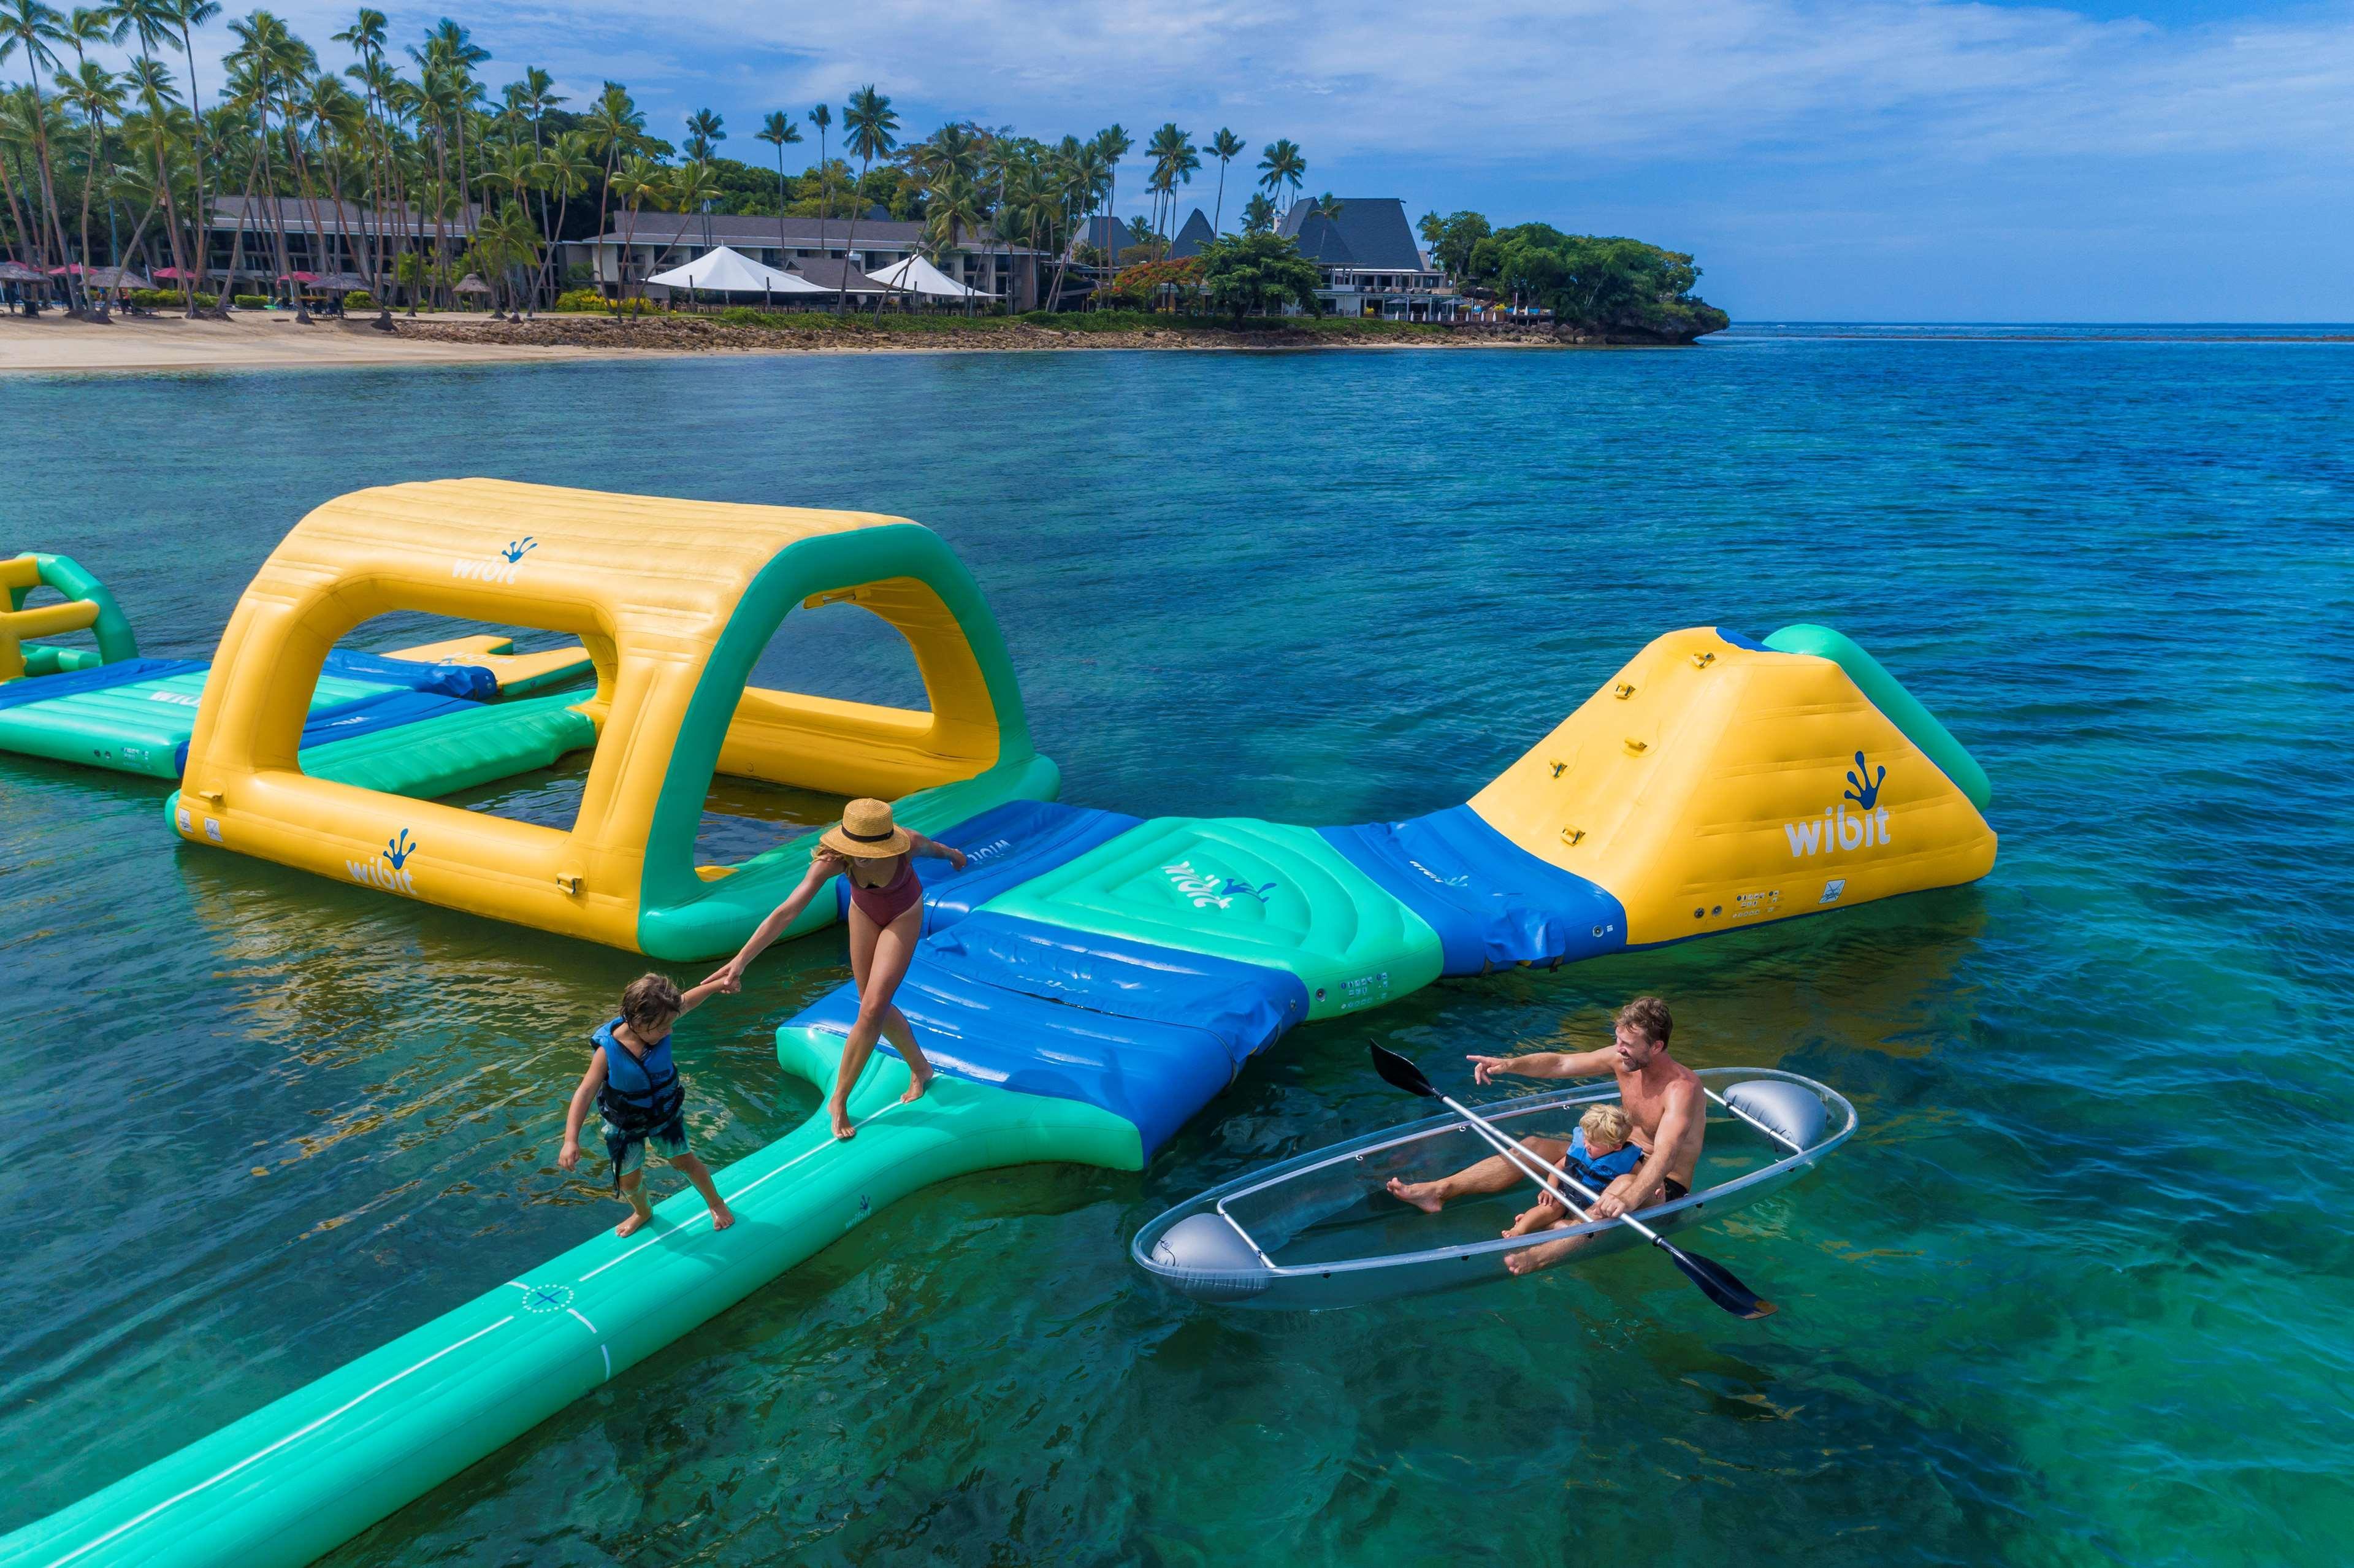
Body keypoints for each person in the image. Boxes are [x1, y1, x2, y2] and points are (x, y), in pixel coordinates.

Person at [705, 798, 967, 1140]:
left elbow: (937, 849)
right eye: (855, 846)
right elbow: (786, 911)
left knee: (872, 1008)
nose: (860, 855)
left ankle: (839, 1100)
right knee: (871, 1004)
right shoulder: (833, 863)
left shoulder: (908, 845)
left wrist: (954, 856)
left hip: (904, 915)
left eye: (869, 849)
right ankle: (921, 1069)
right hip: (864, 914)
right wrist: (740, 961)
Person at [1385, 997, 1706, 1271]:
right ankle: (1439, 1191)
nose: (1618, 1050)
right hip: (1614, 1155)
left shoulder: (1681, 1090)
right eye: (1618, 1040)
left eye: (1628, 1045)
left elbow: (1664, 1155)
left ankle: (1541, 1256)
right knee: (1534, 1146)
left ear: (1657, 1046)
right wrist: (1510, 1064)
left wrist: (1630, 1199)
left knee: (1621, 1187)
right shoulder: (1625, 1059)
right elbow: (1560, 1064)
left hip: (1660, 1186)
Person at [559, 972, 736, 1237]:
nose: (670, 1031)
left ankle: (716, 1203)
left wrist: (719, 985)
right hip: (624, 1122)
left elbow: (690, 1000)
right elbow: (585, 1092)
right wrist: (570, 1139)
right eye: (664, 1028)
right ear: (638, 1022)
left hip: (664, 1114)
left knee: (683, 1161)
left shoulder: (661, 1015)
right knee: (628, 1179)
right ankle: (642, 1212)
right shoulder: (608, 1051)